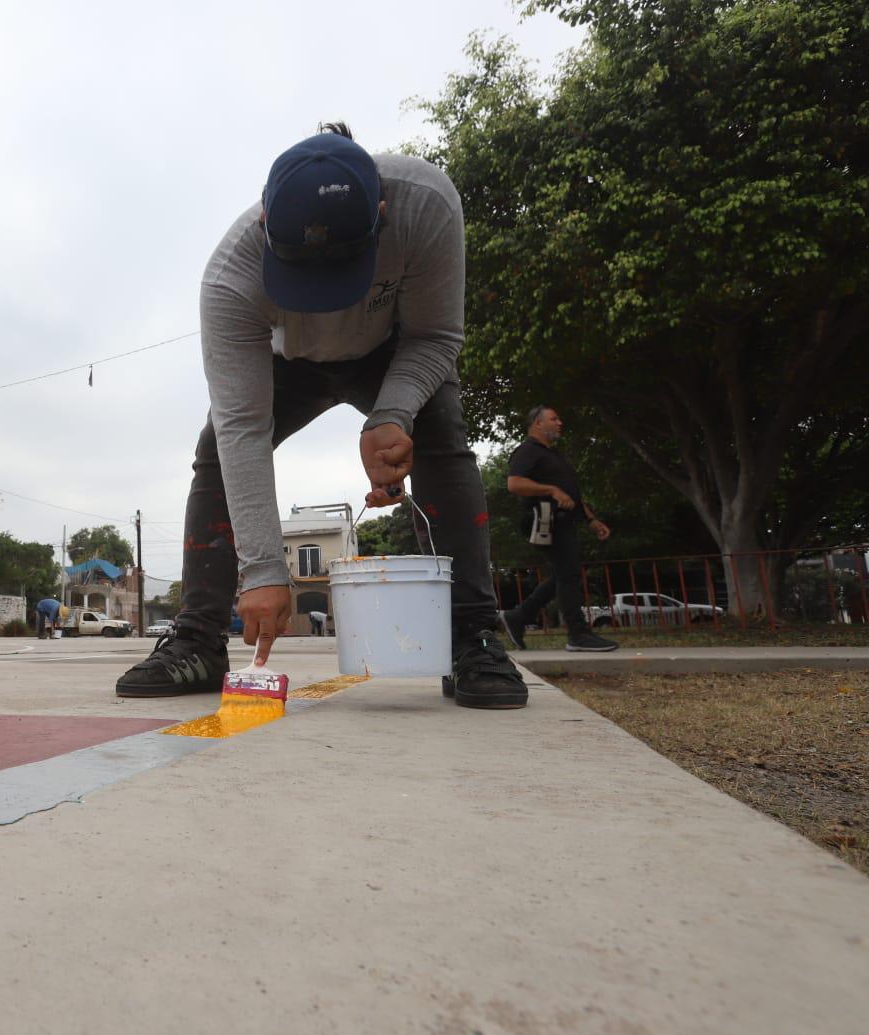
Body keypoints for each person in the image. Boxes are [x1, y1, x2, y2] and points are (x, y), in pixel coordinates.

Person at [115, 123, 529, 709]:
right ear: (265, 223)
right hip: (288, 363)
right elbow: (243, 427)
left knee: (443, 437)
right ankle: (198, 641)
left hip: (395, 349)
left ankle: (473, 633)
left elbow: (437, 336)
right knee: (214, 453)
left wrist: (392, 414)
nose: (329, 301)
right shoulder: (231, 278)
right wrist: (262, 571)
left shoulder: (427, 207)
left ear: (382, 212)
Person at [500, 406, 619, 653]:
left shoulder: (554, 455)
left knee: (564, 576)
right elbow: (514, 483)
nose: (560, 422)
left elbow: (571, 493)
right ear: (537, 424)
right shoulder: (527, 451)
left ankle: (518, 617)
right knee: (569, 574)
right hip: (543, 520)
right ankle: (578, 634)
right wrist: (551, 491)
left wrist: (591, 520)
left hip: (565, 520)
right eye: (554, 418)